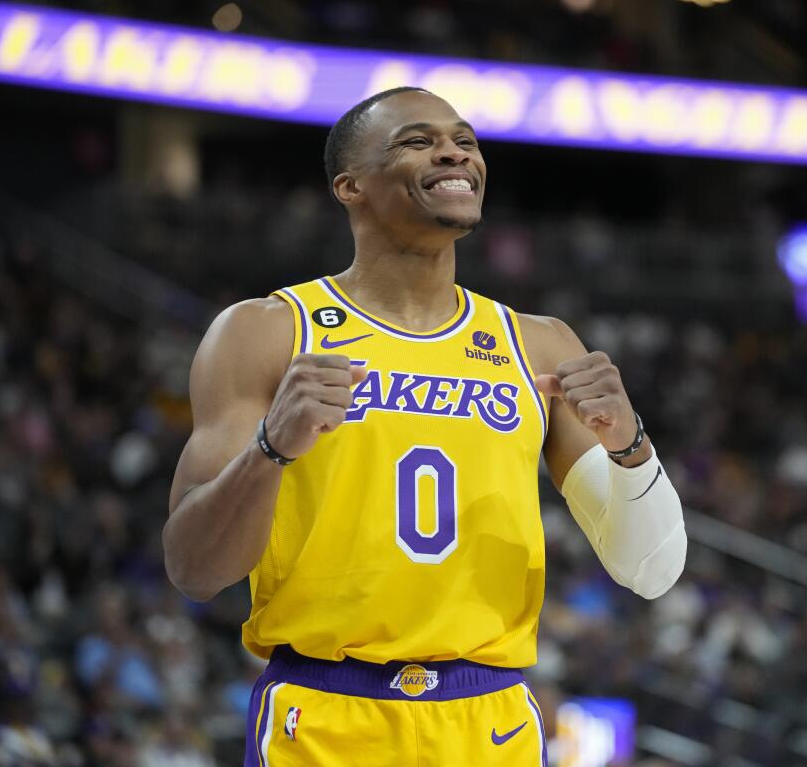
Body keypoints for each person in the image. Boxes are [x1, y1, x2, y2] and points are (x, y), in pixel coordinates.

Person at [162, 86, 687, 766]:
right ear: (350, 186)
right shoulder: (266, 332)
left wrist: (631, 446)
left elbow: (651, 569)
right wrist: (271, 450)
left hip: (490, 720)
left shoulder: (540, 346)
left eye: (465, 140)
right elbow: (193, 569)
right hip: (327, 713)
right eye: (418, 140)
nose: (453, 151)